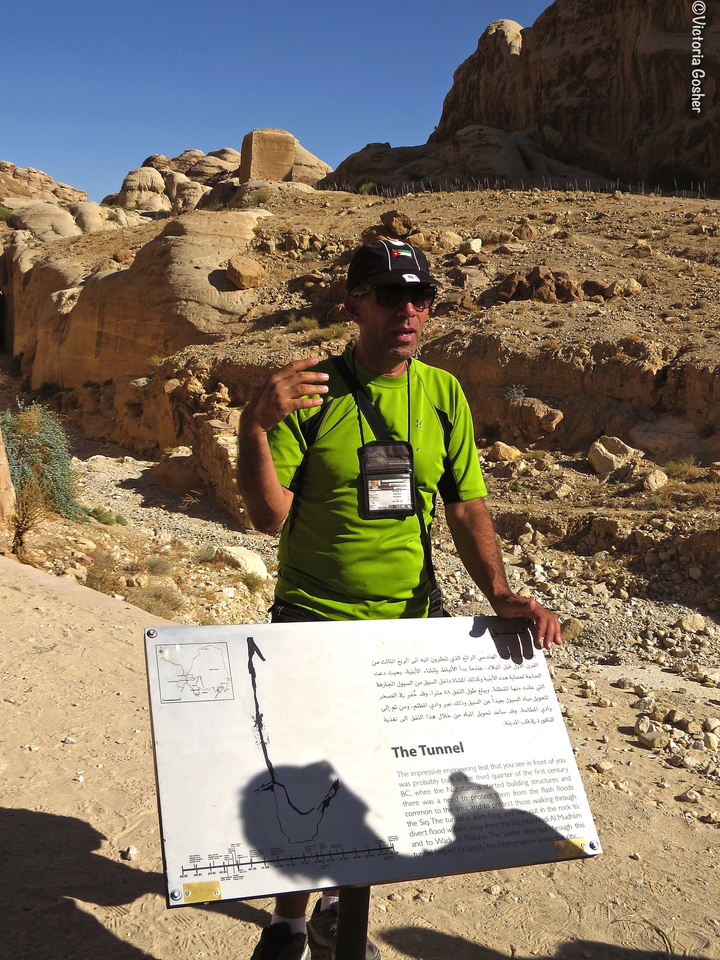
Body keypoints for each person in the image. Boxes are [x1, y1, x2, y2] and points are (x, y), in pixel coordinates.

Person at [237, 238, 561, 960]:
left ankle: (334, 912)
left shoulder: (442, 394)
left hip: (409, 630)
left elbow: (466, 505)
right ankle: (290, 923)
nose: (408, 311)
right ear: (353, 304)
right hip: (316, 620)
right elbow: (268, 517)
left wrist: (502, 591)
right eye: (389, 296)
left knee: (374, 782)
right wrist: (254, 426)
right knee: (308, 780)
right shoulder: (313, 389)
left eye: (421, 298)